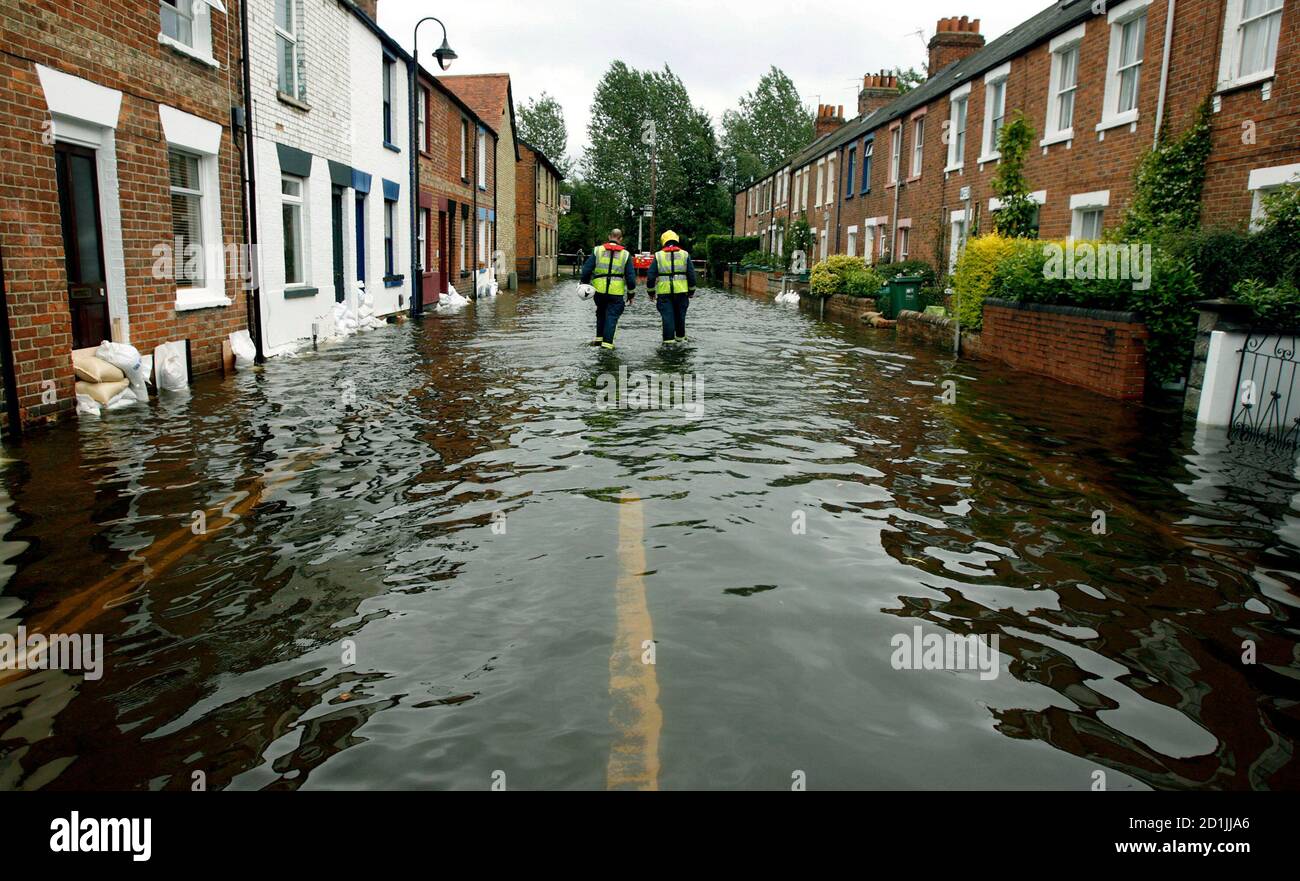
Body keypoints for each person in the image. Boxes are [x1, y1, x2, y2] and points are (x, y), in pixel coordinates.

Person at [579, 229, 637, 349]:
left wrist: (584, 285)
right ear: (620, 239)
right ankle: (607, 346)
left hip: (599, 291)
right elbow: (631, 278)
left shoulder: (598, 250)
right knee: (612, 316)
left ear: (609, 236)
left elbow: (586, 270)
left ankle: (598, 341)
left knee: (600, 313)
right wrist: (630, 294)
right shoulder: (625, 254)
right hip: (616, 292)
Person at [646, 229, 697, 343]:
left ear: (663, 241)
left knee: (667, 317)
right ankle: (680, 340)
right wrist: (691, 291)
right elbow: (691, 275)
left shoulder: (658, 256)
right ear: (676, 240)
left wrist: (651, 292)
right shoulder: (685, 254)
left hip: (664, 293)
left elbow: (651, 276)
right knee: (680, 317)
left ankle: (668, 343)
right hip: (681, 293)